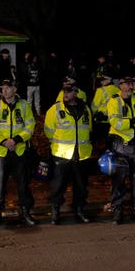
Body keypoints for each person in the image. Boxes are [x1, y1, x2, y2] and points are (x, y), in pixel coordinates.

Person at [43, 77, 94, 225]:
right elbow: (48, 131)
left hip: (82, 154)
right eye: (65, 91)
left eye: (70, 91)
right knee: (58, 186)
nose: (66, 93)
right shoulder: (55, 109)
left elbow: (89, 129)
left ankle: (79, 210)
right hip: (62, 154)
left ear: (76, 93)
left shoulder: (85, 109)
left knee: (81, 186)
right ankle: (55, 210)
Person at [0, 79, 37, 226]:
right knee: (0, 184)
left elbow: (30, 126)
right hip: (1, 152)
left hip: (19, 150)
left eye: (8, 88)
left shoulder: (24, 105)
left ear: (15, 89)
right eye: (3, 88)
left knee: (23, 183)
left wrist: (15, 140)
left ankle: (25, 212)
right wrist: (5, 142)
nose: (5, 91)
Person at [106, 76, 135, 224]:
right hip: (120, 145)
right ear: (121, 85)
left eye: (132, 84)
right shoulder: (114, 101)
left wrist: (132, 124)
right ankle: (118, 210)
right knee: (119, 180)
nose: (130, 87)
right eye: (127, 84)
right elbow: (116, 123)